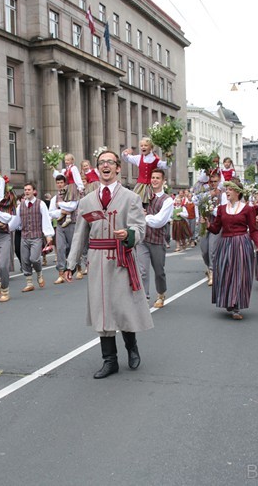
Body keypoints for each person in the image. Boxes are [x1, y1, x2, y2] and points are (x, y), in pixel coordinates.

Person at [63, 150, 153, 379]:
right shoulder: (86, 201)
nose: (106, 166)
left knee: (123, 307)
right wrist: (70, 264)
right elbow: (79, 236)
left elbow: (140, 230)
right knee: (101, 310)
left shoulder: (131, 198)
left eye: (110, 162)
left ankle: (131, 347)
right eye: (102, 163)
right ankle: (109, 360)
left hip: (121, 258)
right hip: (97, 261)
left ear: (118, 168)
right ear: (97, 168)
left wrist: (129, 234)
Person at [207, 181, 258, 320]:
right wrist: (208, 225)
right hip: (225, 243)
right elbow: (216, 229)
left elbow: (254, 230)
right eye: (226, 189)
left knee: (240, 274)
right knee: (225, 272)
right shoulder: (221, 209)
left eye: (230, 189)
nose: (227, 192)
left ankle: (236, 306)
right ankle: (228, 301)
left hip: (241, 243)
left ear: (237, 192)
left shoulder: (247, 209)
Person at [137, 168, 174, 308]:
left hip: (158, 240)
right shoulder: (144, 195)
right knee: (142, 270)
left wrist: (145, 216)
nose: (154, 180)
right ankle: (144, 297)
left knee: (159, 271)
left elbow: (159, 221)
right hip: (143, 239)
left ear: (163, 181)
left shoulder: (167, 200)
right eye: (153, 177)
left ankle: (161, 293)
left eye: (158, 178)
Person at [10, 182, 54, 293]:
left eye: (29, 189)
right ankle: (29, 283)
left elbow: (46, 219)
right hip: (24, 236)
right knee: (24, 260)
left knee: (34, 258)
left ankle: (39, 274)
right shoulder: (20, 206)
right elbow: (16, 221)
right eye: (25, 190)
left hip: (37, 236)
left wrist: (48, 235)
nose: (27, 192)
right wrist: (7, 228)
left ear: (34, 191)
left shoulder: (41, 204)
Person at [49, 174, 79, 284]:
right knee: (60, 248)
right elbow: (51, 212)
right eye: (58, 183)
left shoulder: (72, 193)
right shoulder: (54, 198)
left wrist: (60, 205)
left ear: (65, 183)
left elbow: (73, 206)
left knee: (72, 247)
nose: (60, 185)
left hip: (72, 223)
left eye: (61, 182)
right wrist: (61, 211)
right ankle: (61, 273)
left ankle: (75, 267)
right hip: (60, 225)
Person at [122, 137, 169, 205]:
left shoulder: (155, 159)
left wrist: (169, 158)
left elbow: (166, 165)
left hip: (152, 186)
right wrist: (125, 153)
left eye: (145, 145)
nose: (143, 147)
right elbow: (127, 158)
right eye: (141, 146)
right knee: (136, 203)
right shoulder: (138, 158)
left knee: (152, 203)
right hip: (140, 186)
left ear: (151, 147)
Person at [53, 154, 84, 228]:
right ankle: (67, 216)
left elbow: (77, 178)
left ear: (72, 160)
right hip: (68, 187)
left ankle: (63, 211)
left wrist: (80, 187)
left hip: (73, 186)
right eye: (65, 160)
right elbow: (61, 176)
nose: (66, 161)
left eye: (68, 160)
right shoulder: (66, 170)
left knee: (72, 202)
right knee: (67, 200)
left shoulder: (74, 168)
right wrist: (54, 170)